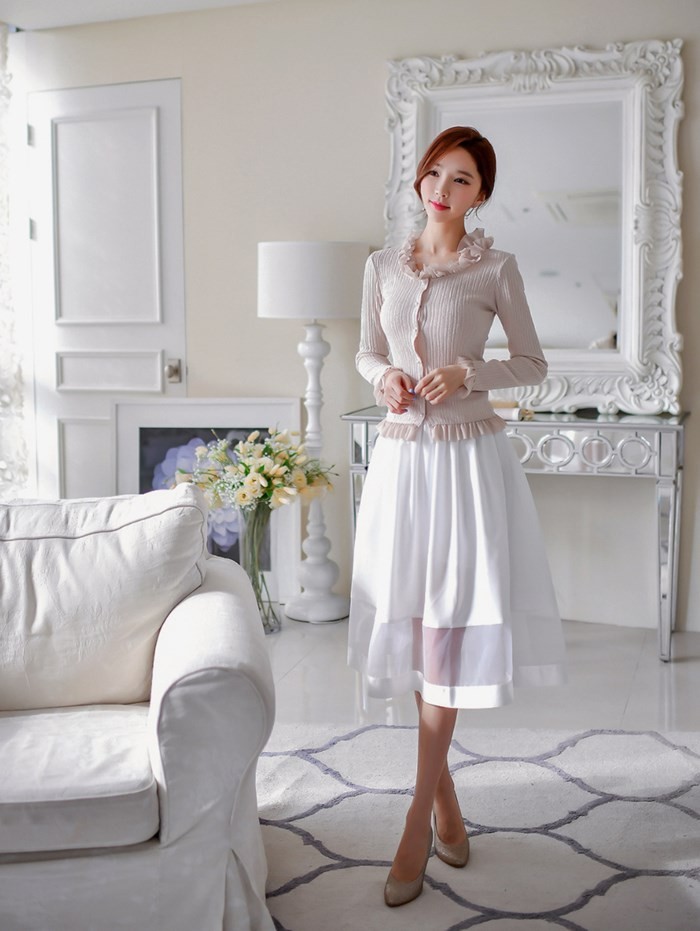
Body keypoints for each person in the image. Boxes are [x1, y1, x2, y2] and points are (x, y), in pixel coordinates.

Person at [348, 126, 567, 908]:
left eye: (462, 178)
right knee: (413, 622)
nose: (443, 189)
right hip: (401, 462)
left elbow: (534, 363)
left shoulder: (495, 269)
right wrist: (384, 379)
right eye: (435, 173)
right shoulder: (381, 266)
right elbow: (366, 352)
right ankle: (443, 797)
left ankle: (416, 817)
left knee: (446, 624)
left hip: (466, 464)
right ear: (419, 181)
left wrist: (467, 372)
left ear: (482, 193)